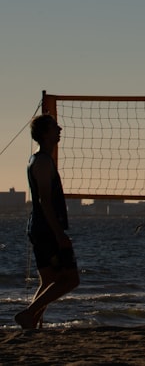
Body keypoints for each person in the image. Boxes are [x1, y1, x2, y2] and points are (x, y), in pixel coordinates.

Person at [14, 115, 80, 329]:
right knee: (71, 279)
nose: (59, 129)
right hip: (45, 228)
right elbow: (44, 200)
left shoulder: (42, 159)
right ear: (44, 133)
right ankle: (29, 314)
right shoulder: (41, 161)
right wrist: (59, 233)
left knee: (49, 280)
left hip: (41, 227)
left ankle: (33, 322)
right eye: (54, 127)